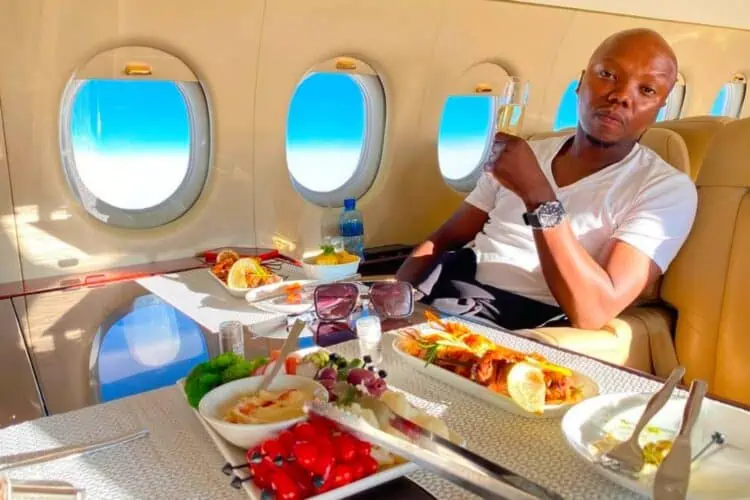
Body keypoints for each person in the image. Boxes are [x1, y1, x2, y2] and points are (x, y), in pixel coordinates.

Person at [396, 28, 698, 331]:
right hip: (449, 296)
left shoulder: (665, 189)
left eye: (647, 90)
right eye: (607, 74)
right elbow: (444, 239)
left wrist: (538, 196)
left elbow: (593, 312)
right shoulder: (529, 152)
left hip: (526, 328)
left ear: (659, 109)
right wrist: (395, 300)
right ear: (581, 83)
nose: (620, 96)